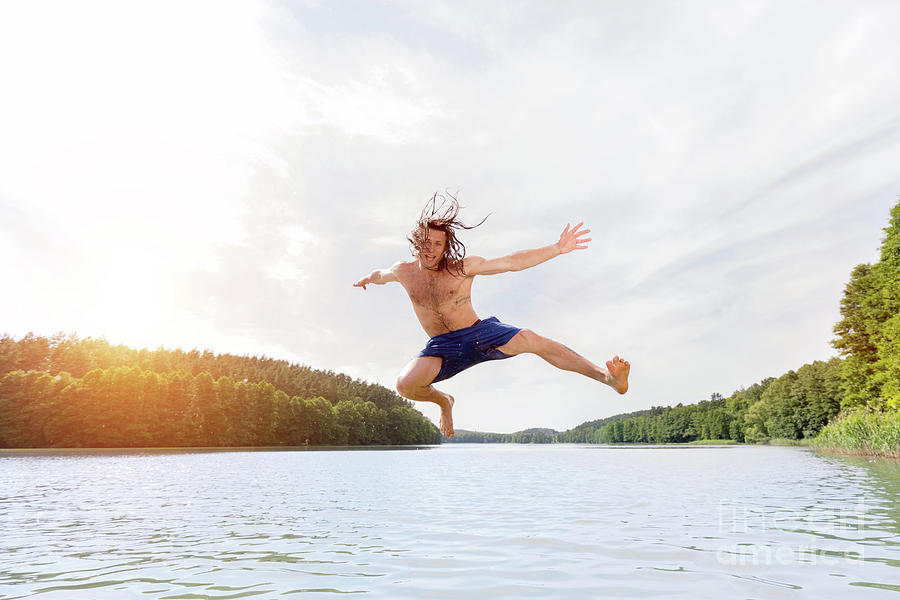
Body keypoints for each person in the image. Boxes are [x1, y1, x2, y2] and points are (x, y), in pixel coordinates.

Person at [353, 194, 630, 437]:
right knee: (405, 385)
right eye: (426, 242)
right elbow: (381, 275)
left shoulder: (462, 268)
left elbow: (510, 263)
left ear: (445, 247)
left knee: (531, 339)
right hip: (442, 347)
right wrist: (367, 278)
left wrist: (556, 248)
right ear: (417, 242)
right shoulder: (404, 271)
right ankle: (444, 402)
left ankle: (606, 378)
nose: (431, 249)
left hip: (477, 333)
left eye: (438, 244)